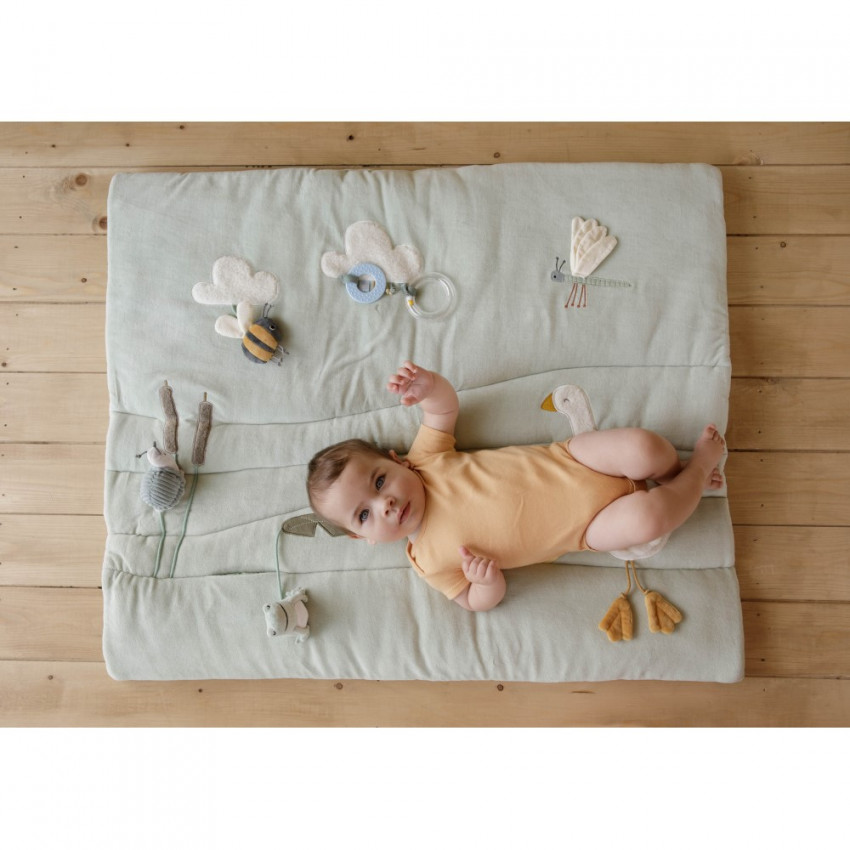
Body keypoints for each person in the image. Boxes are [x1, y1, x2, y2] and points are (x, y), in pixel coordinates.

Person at [307, 361, 725, 612]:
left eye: (380, 481)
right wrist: (487, 583)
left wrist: (428, 387)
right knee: (649, 519)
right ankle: (698, 471)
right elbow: (472, 602)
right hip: (588, 527)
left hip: (573, 460)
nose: (385, 503)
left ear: (397, 460)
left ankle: (672, 471)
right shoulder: (427, 562)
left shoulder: (425, 461)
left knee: (643, 447)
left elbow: (443, 410)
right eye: (364, 515)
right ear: (362, 538)